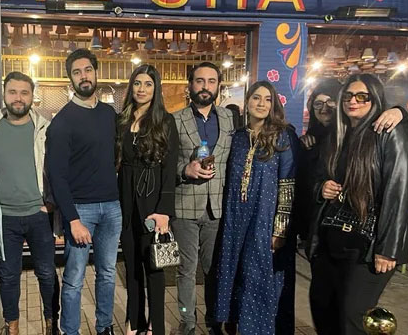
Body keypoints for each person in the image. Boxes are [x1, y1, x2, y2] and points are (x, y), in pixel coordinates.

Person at [309, 73, 408, 334]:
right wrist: (321, 188)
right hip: (331, 237)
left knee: (353, 315)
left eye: (361, 96)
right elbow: (317, 177)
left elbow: (398, 191)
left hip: (367, 244)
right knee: (323, 308)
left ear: (375, 99)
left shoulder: (388, 131)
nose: (353, 101)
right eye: (347, 96)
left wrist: (387, 248)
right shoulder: (338, 134)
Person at [213, 81, 299, 335]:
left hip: (264, 222)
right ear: (247, 102)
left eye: (267, 99)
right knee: (233, 273)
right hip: (234, 220)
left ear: (274, 104)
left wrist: (279, 231)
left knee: (258, 279)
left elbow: (288, 185)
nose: (261, 103)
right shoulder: (238, 138)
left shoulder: (283, 136)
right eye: (256, 98)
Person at [46, 49, 121, 335]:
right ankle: (70, 330)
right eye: (77, 72)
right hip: (81, 210)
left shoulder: (109, 115)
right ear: (70, 79)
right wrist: (73, 219)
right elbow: (57, 176)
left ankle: (104, 327)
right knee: (75, 278)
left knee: (107, 274)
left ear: (96, 72)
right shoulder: (62, 122)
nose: (84, 76)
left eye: (87, 70)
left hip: (112, 207)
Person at [0, 71, 59, 335]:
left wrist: (51, 203)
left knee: (47, 274)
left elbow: (59, 169)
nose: (18, 98)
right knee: (9, 276)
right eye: (13, 92)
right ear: (4, 94)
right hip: (4, 217)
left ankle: (51, 323)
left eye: (24, 92)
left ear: (32, 96)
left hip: (38, 214)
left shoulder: (44, 128)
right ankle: (11, 326)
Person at [295, 79, 408, 254]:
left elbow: (397, 192)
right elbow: (308, 181)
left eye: (330, 102)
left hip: (362, 229)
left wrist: (401, 113)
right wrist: (321, 187)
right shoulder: (315, 137)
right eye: (318, 104)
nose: (324, 108)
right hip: (323, 224)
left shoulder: (359, 132)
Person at [171, 62, 235, 335]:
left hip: (218, 208)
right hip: (184, 205)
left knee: (214, 269)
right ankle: (187, 321)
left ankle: (214, 321)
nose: (205, 86)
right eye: (199, 81)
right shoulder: (175, 119)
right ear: (190, 85)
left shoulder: (231, 119)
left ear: (218, 85)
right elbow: (165, 163)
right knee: (186, 270)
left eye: (211, 81)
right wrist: (184, 170)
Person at [115, 64, 179, 335]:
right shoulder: (121, 119)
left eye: (148, 84)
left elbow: (170, 167)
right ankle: (134, 321)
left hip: (153, 201)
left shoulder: (165, 120)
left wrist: (164, 210)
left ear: (156, 89)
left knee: (154, 267)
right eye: (138, 83)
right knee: (131, 267)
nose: (142, 89)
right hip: (125, 199)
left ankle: (156, 325)